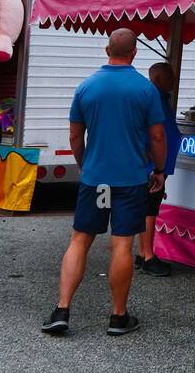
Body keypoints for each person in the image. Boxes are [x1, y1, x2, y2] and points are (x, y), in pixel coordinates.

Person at [42, 28, 165, 337]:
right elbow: (157, 136)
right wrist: (159, 169)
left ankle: (62, 309)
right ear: (134, 52)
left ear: (106, 50)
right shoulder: (146, 90)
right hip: (130, 180)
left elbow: (75, 135)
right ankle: (118, 317)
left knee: (80, 240)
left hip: (97, 181)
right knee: (122, 244)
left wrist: (85, 164)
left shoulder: (87, 87)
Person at [136, 61, 180, 277]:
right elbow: (154, 134)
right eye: (170, 76)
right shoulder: (153, 100)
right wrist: (155, 166)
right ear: (159, 79)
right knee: (149, 210)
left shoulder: (158, 98)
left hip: (157, 165)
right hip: (153, 167)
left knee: (148, 207)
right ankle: (148, 256)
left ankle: (141, 252)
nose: (173, 80)